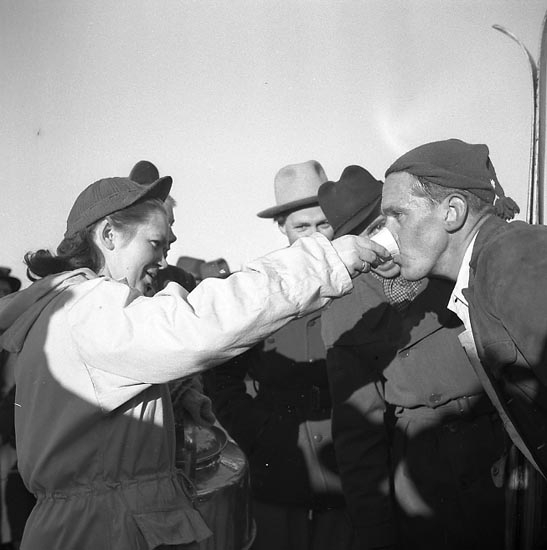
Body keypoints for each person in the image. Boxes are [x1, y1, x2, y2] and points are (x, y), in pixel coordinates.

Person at [0, 173, 386, 550]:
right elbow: (200, 323)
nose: (162, 262)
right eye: (155, 244)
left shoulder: (75, 309)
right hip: (100, 532)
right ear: (109, 235)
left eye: (167, 248)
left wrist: (171, 395)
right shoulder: (88, 310)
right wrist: (324, 261)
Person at [318, 165, 506, 550]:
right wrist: (375, 533)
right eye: (367, 236)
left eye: (387, 223)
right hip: (427, 484)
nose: (384, 242)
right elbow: (358, 435)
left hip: (500, 460)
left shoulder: (451, 265)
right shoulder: (346, 312)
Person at [381, 138, 547, 545]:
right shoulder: (489, 263)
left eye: (398, 215)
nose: (387, 235)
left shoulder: (511, 259)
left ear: (452, 212)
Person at [204, 160, 355, 550]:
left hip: (351, 467)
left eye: (323, 224)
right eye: (301, 227)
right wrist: (256, 431)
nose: (314, 236)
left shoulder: (362, 283)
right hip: (280, 469)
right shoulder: (260, 292)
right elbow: (221, 378)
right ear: (281, 227)